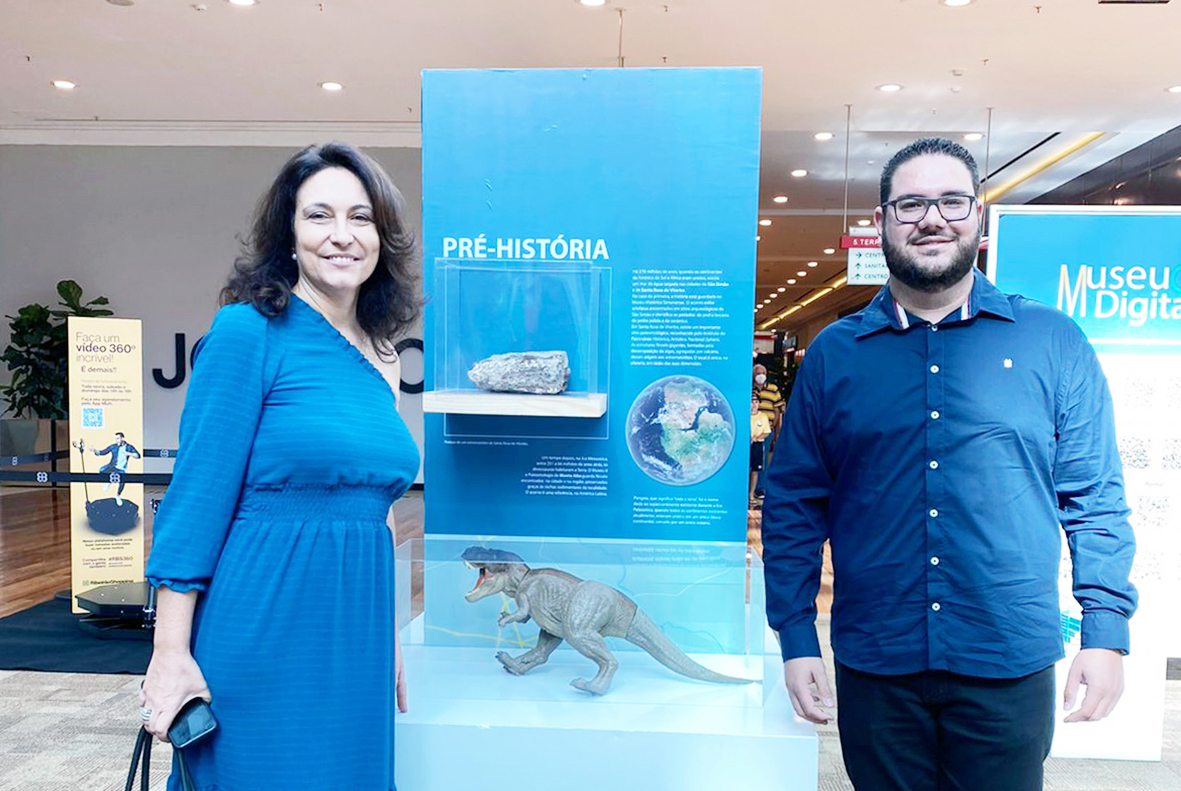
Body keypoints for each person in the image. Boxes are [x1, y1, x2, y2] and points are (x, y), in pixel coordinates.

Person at [762, 137, 1137, 791]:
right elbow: (795, 502)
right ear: (881, 221)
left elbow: (1094, 495)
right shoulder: (834, 354)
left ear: (978, 216)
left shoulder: (1050, 341)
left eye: (951, 201)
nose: (931, 218)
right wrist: (794, 633)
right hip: (877, 657)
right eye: (910, 204)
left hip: (1006, 654)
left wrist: (1104, 630)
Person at [140, 142, 421, 791]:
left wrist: (387, 634)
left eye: (360, 217)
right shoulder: (248, 332)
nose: (342, 234)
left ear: (381, 237)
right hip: (262, 621)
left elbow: (375, 511)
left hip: (355, 631)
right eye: (319, 215)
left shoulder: (381, 356)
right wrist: (170, 652)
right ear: (289, 236)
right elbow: (196, 499)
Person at [90, 432, 142, 505]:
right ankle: (108, 481)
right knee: (102, 470)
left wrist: (129, 454)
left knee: (122, 481)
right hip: (112, 466)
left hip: (121, 469)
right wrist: (94, 450)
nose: (117, 441)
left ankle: (118, 495)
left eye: (118, 439)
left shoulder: (129, 447)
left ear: (122, 438)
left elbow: (138, 456)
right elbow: (102, 452)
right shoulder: (113, 447)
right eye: (116, 439)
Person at [750, 395, 772, 507]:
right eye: (752, 402)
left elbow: (766, 431)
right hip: (746, 445)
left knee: (755, 470)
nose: (754, 404)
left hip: (757, 445)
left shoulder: (763, 417)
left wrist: (756, 437)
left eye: (756, 402)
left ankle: (751, 494)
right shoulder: (745, 415)